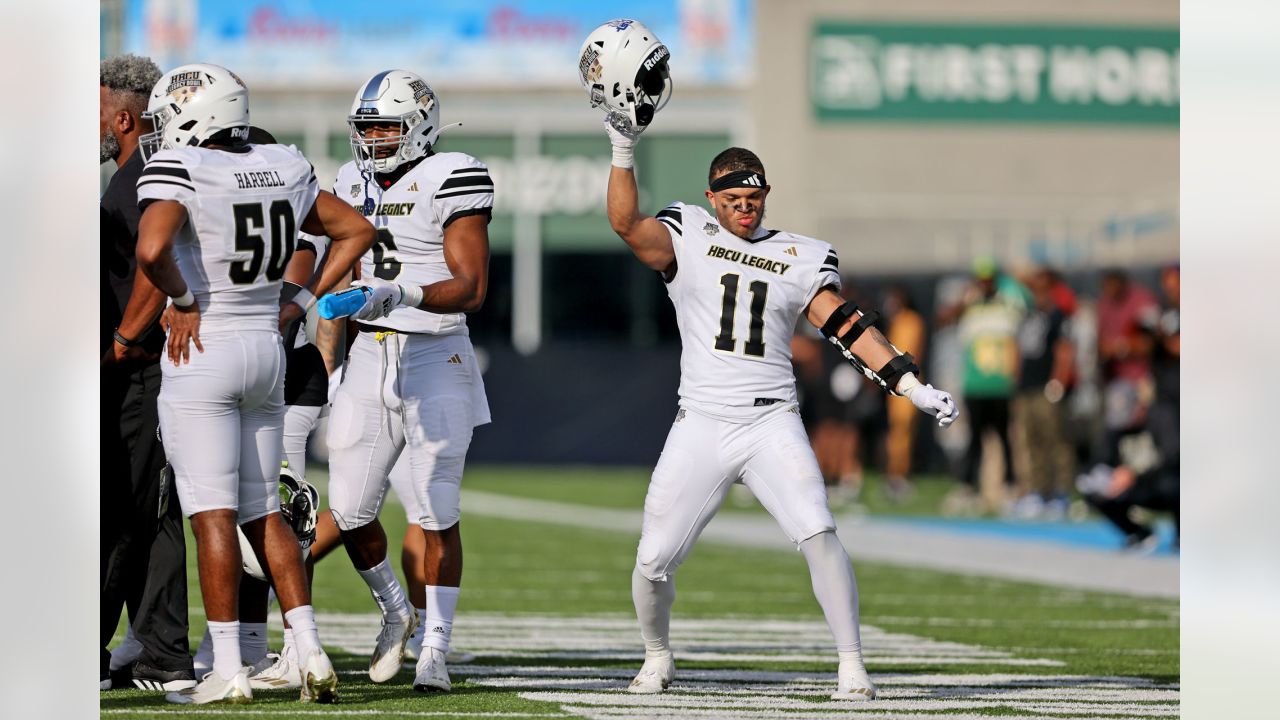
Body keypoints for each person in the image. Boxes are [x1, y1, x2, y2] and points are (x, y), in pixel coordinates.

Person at [590, 19, 959, 701]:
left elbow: (844, 323)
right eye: (731, 198)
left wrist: (911, 381)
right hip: (701, 419)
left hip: (769, 421)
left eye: (752, 198)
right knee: (653, 560)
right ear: (710, 199)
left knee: (819, 530)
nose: (742, 208)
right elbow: (624, 224)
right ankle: (657, 651)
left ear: (766, 197)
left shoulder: (800, 252)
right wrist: (622, 144)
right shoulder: (687, 230)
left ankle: (851, 662)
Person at [131, 62, 374, 704]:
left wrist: (181, 297)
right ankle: (309, 649)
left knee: (211, 514)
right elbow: (356, 230)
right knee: (264, 507)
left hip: (204, 347)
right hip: (267, 346)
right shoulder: (281, 164)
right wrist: (299, 298)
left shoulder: (181, 170)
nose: (161, 131)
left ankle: (229, 668)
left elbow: (153, 251)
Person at [316, 69, 493, 693]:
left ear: (419, 123)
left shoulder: (452, 172)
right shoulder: (347, 180)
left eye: (387, 126)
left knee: (437, 507)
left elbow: (471, 288)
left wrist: (401, 291)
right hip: (369, 355)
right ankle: (396, 607)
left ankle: (437, 650)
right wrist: (326, 354)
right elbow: (334, 269)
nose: (375, 139)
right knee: (348, 505)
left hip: (436, 354)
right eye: (366, 128)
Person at [100, 53, 196, 693]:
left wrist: (122, 341)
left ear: (126, 115)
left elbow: (151, 270)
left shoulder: (144, 177)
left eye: (98, 110)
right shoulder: (133, 174)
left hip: (141, 372)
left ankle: (147, 647)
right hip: (145, 371)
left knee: (129, 509)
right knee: (147, 510)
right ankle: (156, 648)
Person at [937, 259, 1026, 513]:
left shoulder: (1008, 306)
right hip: (975, 385)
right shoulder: (971, 308)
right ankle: (967, 487)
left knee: (1004, 438)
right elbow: (943, 318)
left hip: (1001, 384)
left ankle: (1009, 488)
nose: (985, 284)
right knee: (974, 439)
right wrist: (966, 297)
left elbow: (1019, 334)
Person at [1010, 268, 1076, 518]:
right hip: (1026, 388)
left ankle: (1061, 492)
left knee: (1056, 440)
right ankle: (1039, 491)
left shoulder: (1058, 316)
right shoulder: (1026, 316)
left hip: (1046, 387)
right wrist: (1015, 379)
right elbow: (1019, 350)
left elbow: (1065, 350)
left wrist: (1058, 380)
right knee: (1031, 441)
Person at [881, 286, 927, 502]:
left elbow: (914, 351)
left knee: (904, 429)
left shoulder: (912, 320)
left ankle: (899, 473)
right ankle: (894, 473)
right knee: (897, 430)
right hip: (894, 379)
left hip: (906, 378)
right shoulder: (896, 320)